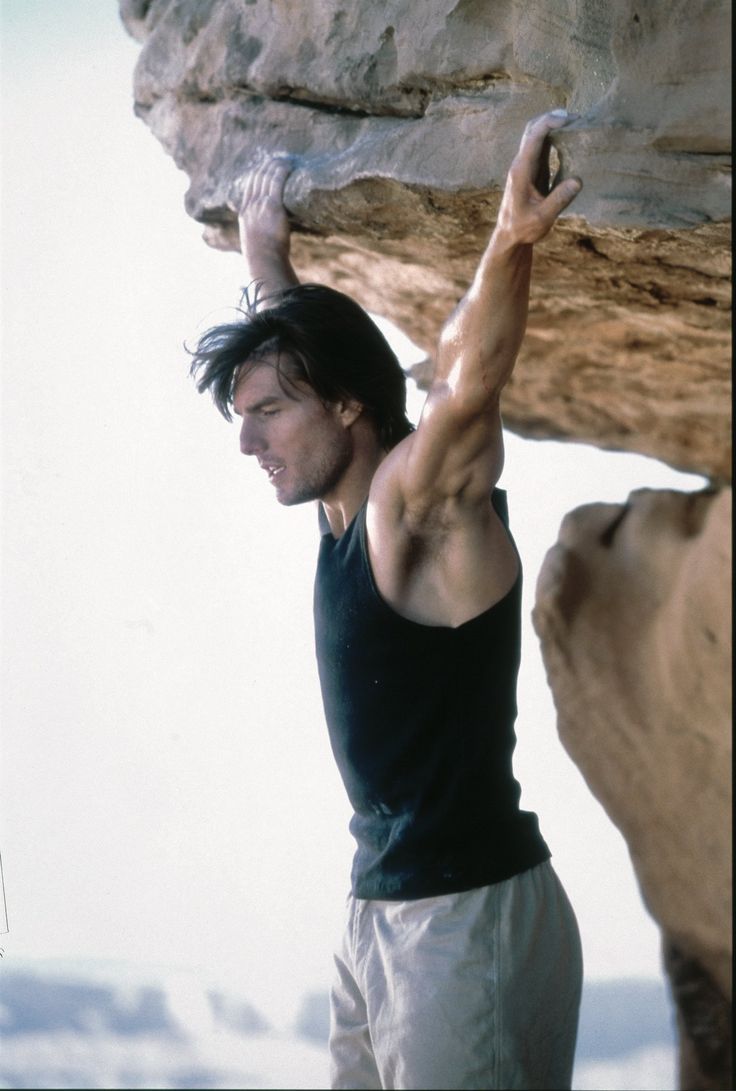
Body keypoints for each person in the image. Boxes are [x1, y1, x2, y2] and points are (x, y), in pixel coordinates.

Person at [190, 109, 584, 1091]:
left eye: (267, 414)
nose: (249, 442)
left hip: (461, 922)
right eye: (246, 417)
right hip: (378, 915)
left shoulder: (416, 510)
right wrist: (263, 252)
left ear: (349, 407)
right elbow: (308, 353)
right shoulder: (341, 498)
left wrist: (511, 235)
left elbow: (468, 387)